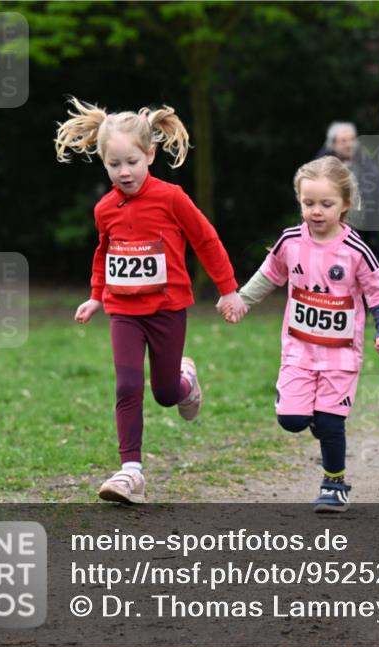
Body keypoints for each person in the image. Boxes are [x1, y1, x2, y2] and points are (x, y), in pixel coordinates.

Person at [56, 97, 246, 504]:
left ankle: (185, 380)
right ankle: (131, 473)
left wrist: (228, 289)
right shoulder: (105, 208)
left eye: (132, 162)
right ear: (103, 161)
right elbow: (104, 253)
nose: (124, 172)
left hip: (166, 309)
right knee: (127, 385)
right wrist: (95, 297)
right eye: (114, 164)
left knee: (163, 392)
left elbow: (206, 239)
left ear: (150, 155)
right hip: (124, 310)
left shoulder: (171, 198)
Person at [226, 156, 379, 512]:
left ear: (345, 205)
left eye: (326, 204)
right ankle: (302, 408)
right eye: (308, 203)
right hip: (299, 351)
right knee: (292, 421)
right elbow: (270, 274)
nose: (316, 211)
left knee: (331, 422)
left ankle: (334, 483)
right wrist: (243, 300)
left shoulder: (356, 251)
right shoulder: (290, 241)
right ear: (299, 201)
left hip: (341, 355)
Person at [317, 122, 379, 263]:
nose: (349, 144)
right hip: (331, 231)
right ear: (333, 144)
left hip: (365, 231)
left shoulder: (367, 164)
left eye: (352, 139)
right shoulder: (319, 166)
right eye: (343, 141)